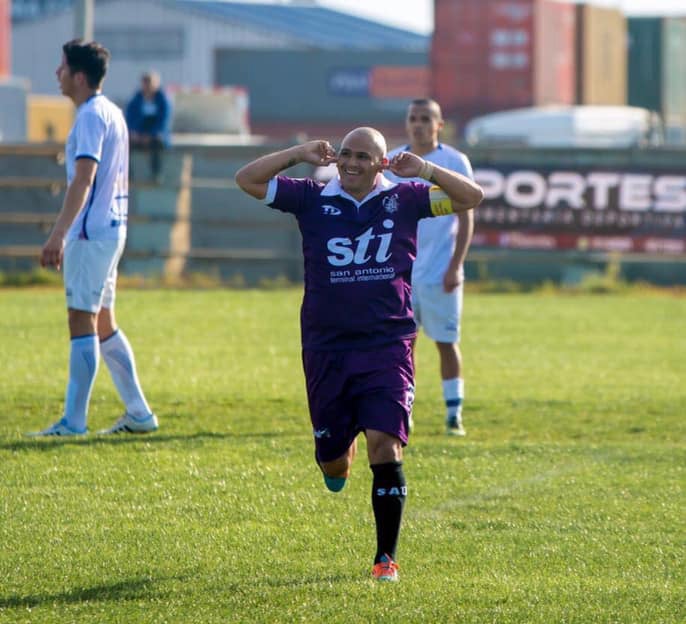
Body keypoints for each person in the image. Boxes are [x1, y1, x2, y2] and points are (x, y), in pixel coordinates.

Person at [234, 127, 483, 581]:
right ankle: (338, 448)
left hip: (388, 343)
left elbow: (470, 197)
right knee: (332, 463)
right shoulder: (311, 197)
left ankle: (385, 558)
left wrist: (425, 168)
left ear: (381, 163)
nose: (350, 163)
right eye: (345, 154)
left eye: (363, 157)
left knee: (385, 445)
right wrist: (297, 153)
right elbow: (246, 180)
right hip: (326, 346)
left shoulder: (405, 198)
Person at [27, 39, 157, 437]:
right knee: (102, 322)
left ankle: (73, 421)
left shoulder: (88, 117)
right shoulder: (112, 112)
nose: (57, 73)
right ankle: (139, 413)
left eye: (62, 67)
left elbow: (83, 179)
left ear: (79, 76)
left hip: (91, 232)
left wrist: (58, 234)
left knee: (80, 319)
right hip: (112, 229)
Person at [385, 98, 475, 436]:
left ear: (439, 125)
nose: (418, 124)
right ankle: (404, 408)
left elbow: (466, 216)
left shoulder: (454, 161)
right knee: (403, 344)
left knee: (446, 341)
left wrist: (456, 265)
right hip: (400, 273)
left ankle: (454, 414)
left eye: (426, 119)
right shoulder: (393, 161)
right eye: (413, 118)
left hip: (440, 272)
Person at [125, 71, 171, 183]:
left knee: (157, 146)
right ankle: (127, 175)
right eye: (145, 84)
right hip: (138, 135)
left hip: (154, 136)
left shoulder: (162, 100)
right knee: (125, 145)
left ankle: (156, 175)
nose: (147, 87)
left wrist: (151, 135)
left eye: (150, 84)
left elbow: (163, 121)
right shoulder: (136, 100)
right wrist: (135, 133)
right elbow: (130, 117)